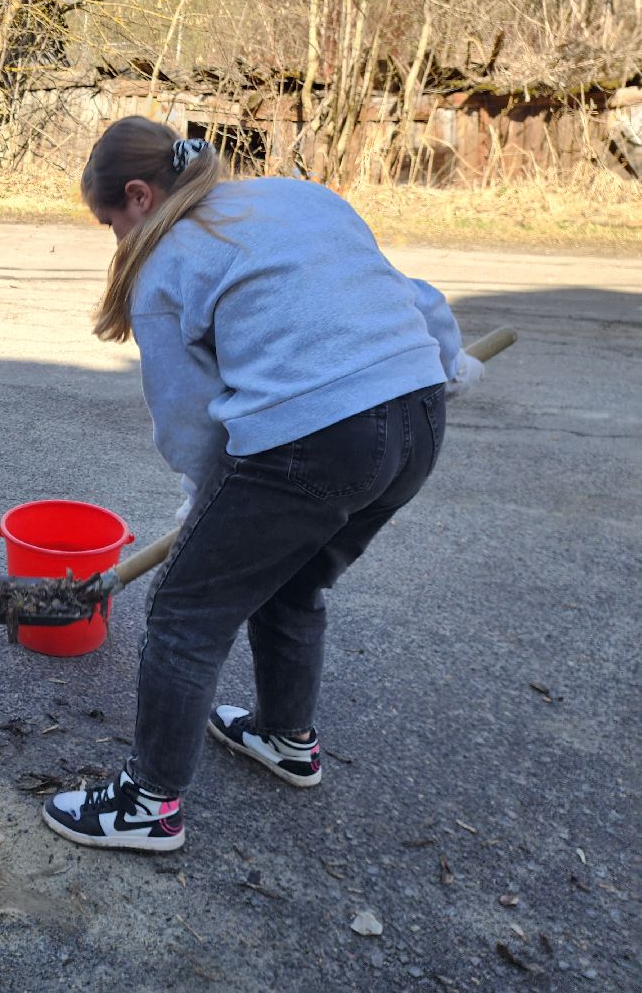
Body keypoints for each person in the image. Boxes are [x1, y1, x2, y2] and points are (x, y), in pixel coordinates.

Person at [41, 117, 484, 852]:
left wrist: (203, 492)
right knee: (292, 581)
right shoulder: (298, 197)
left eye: (108, 222)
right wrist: (448, 359)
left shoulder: (162, 259)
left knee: (186, 612)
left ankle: (148, 804)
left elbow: (188, 417)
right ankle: (285, 737)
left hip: (317, 438)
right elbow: (411, 294)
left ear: (140, 196)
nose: (115, 240)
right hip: (419, 423)